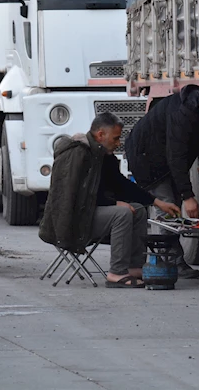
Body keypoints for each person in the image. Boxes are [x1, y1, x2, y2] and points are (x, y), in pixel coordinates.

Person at [39, 112, 181, 288]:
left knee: (138, 210)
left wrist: (156, 202)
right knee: (121, 213)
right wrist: (112, 203)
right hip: (72, 221)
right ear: (101, 135)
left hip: (89, 213)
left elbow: (121, 184)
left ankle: (134, 267)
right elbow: (72, 195)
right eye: (115, 138)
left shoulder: (102, 155)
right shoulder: (78, 153)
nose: (118, 143)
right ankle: (116, 273)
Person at [125, 86, 199, 279]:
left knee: (172, 203)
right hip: (146, 157)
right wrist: (188, 196)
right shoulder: (181, 115)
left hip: (163, 156)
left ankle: (168, 258)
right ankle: (172, 260)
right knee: (168, 206)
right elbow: (176, 157)